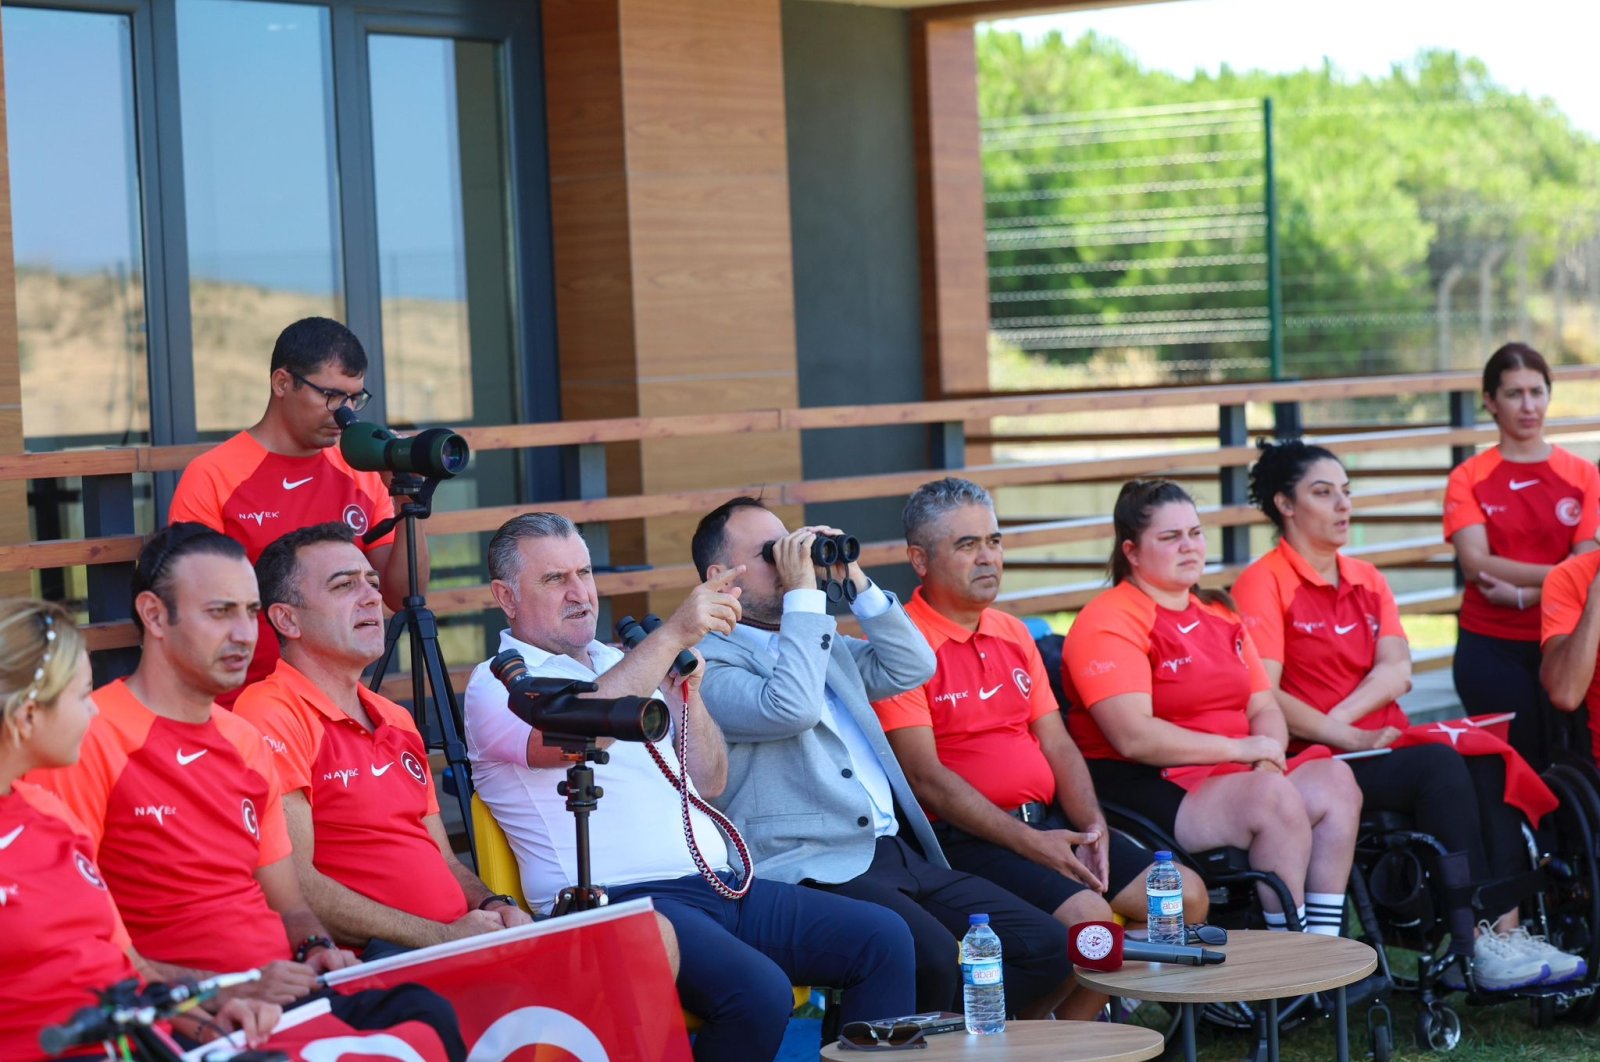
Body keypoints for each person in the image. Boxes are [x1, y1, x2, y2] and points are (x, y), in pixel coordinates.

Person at [463, 513, 915, 1062]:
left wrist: (691, 697)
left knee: (884, 940)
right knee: (759, 992)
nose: (580, 592)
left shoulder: (621, 662)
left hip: (716, 884)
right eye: (555, 580)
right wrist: (672, 634)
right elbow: (579, 729)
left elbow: (711, 779)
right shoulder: (498, 680)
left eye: (584, 572)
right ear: (505, 598)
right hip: (612, 902)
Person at [28, 525, 465, 1056]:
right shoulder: (90, 737)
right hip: (191, 1016)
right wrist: (217, 991)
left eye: (247, 612)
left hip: (280, 993)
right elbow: (86, 944)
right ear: (155, 615)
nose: (242, 634)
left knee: (428, 1016)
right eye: (219, 613)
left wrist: (315, 947)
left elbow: (290, 904)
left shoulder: (242, 737)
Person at [691, 497, 1074, 1018]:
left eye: (790, 546)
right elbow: (790, 708)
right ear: (720, 576)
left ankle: (962, 1046)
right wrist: (805, 596)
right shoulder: (704, 661)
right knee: (930, 956)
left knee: (1045, 946)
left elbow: (912, 666)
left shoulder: (811, 640)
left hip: (891, 851)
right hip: (809, 862)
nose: (789, 562)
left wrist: (855, 580)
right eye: (770, 553)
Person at [1235, 439, 1581, 988]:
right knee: (1439, 767)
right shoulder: (1264, 581)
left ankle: (1506, 932)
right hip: (1314, 758)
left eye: (1346, 492)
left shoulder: (1367, 577)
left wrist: (1351, 725)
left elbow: (1397, 670)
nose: (1343, 505)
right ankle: (1470, 941)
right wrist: (1342, 734)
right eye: (1323, 494)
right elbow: (1266, 694)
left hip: (1370, 740)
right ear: (1285, 504)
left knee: (1491, 760)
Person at [872, 478, 1206, 1020]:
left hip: (1047, 825)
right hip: (968, 839)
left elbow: (1057, 741)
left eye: (995, 541)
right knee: (1092, 925)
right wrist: (1034, 842)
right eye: (966, 545)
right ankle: (1054, 1041)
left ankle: (1072, 1034)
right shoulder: (898, 647)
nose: (988, 558)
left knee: (1182, 898)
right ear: (919, 560)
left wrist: (1092, 829)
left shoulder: (1012, 632)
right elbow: (925, 776)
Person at [1061, 479, 1362, 936]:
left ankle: (1324, 943)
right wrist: (1244, 752)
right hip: (1151, 783)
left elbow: (1265, 707)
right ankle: (1289, 956)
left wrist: (1265, 753)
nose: (1189, 547)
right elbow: (1133, 736)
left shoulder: (1219, 613)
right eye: (1170, 537)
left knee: (1336, 781)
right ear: (1133, 551)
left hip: (1235, 775)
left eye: (1195, 533)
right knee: (1272, 798)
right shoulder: (1109, 619)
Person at [235, 523, 533, 959]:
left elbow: (446, 863)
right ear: (287, 619)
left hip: (453, 944)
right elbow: (295, 886)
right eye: (344, 585)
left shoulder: (395, 717)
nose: (373, 596)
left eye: (372, 582)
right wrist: (443, 938)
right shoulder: (269, 712)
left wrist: (491, 904)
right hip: (376, 963)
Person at [0, 599, 282, 1059]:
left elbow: (123, 967)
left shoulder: (50, 812)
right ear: (29, 715)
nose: (93, 713)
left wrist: (204, 1016)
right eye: (80, 696)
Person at [169, 316, 428, 706]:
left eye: (355, 398)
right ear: (282, 383)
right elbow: (191, 606)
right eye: (331, 396)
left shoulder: (362, 472)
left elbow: (405, 593)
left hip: (341, 705)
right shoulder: (214, 475)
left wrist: (406, 500)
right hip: (243, 704)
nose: (347, 415)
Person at [1445, 342, 1600, 769]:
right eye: (1514, 394)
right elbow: (1477, 564)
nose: (1528, 406)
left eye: (1537, 391)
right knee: (1512, 770)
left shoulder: (1583, 474)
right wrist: (1560, 578)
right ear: (1490, 402)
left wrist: (1527, 593)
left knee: (1572, 768)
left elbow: (1588, 565)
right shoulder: (1469, 477)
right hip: (1491, 645)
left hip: (1570, 642)